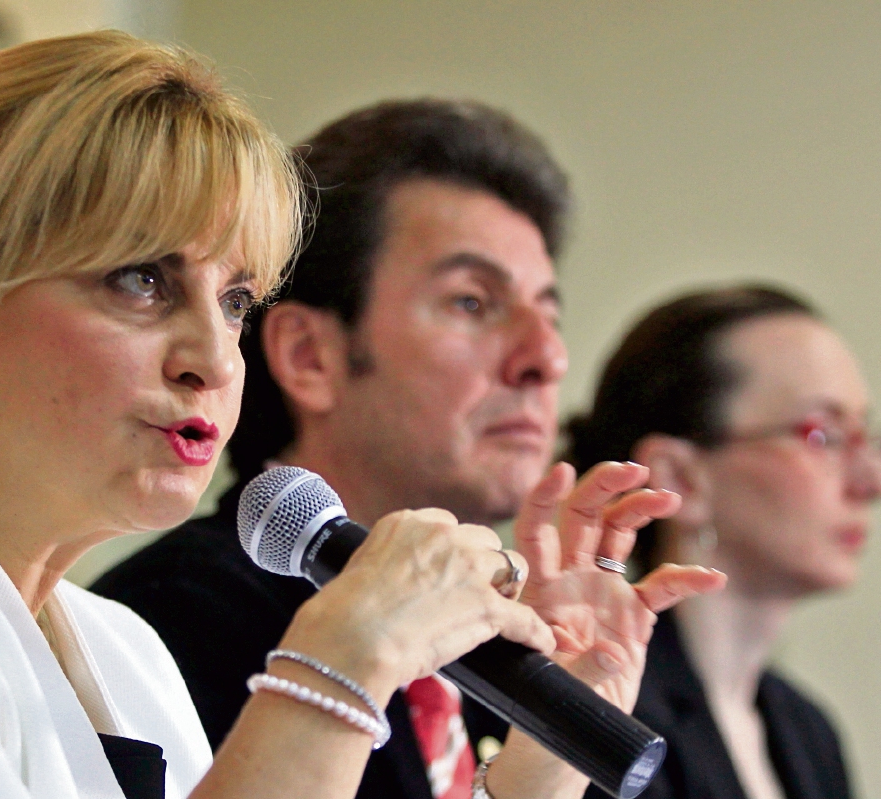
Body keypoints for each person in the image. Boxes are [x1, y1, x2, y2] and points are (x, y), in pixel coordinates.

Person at [0, 32, 717, 799]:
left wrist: (533, 777)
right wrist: (339, 663)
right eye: (140, 279)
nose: (214, 358)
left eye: (233, 300)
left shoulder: (117, 645)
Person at [93, 99, 723, 799]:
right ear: (311, 356)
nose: (547, 357)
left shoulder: (512, 649)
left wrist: (544, 762)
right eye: (472, 302)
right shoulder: (175, 619)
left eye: (550, 315)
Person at [566, 286, 877, 799]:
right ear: (681, 479)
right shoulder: (604, 701)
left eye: (865, 436)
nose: (870, 482)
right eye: (823, 436)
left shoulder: (809, 730)